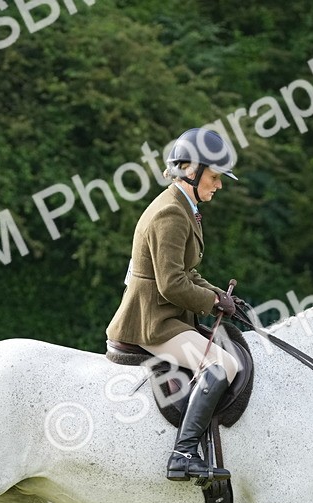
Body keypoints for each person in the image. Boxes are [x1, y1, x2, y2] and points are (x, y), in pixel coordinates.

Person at [106, 128, 243, 482]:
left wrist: (219, 295)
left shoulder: (183, 206)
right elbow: (171, 284)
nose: (219, 185)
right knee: (220, 365)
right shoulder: (171, 213)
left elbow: (187, 272)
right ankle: (182, 455)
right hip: (152, 321)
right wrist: (213, 302)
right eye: (214, 177)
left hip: (166, 314)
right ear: (192, 170)